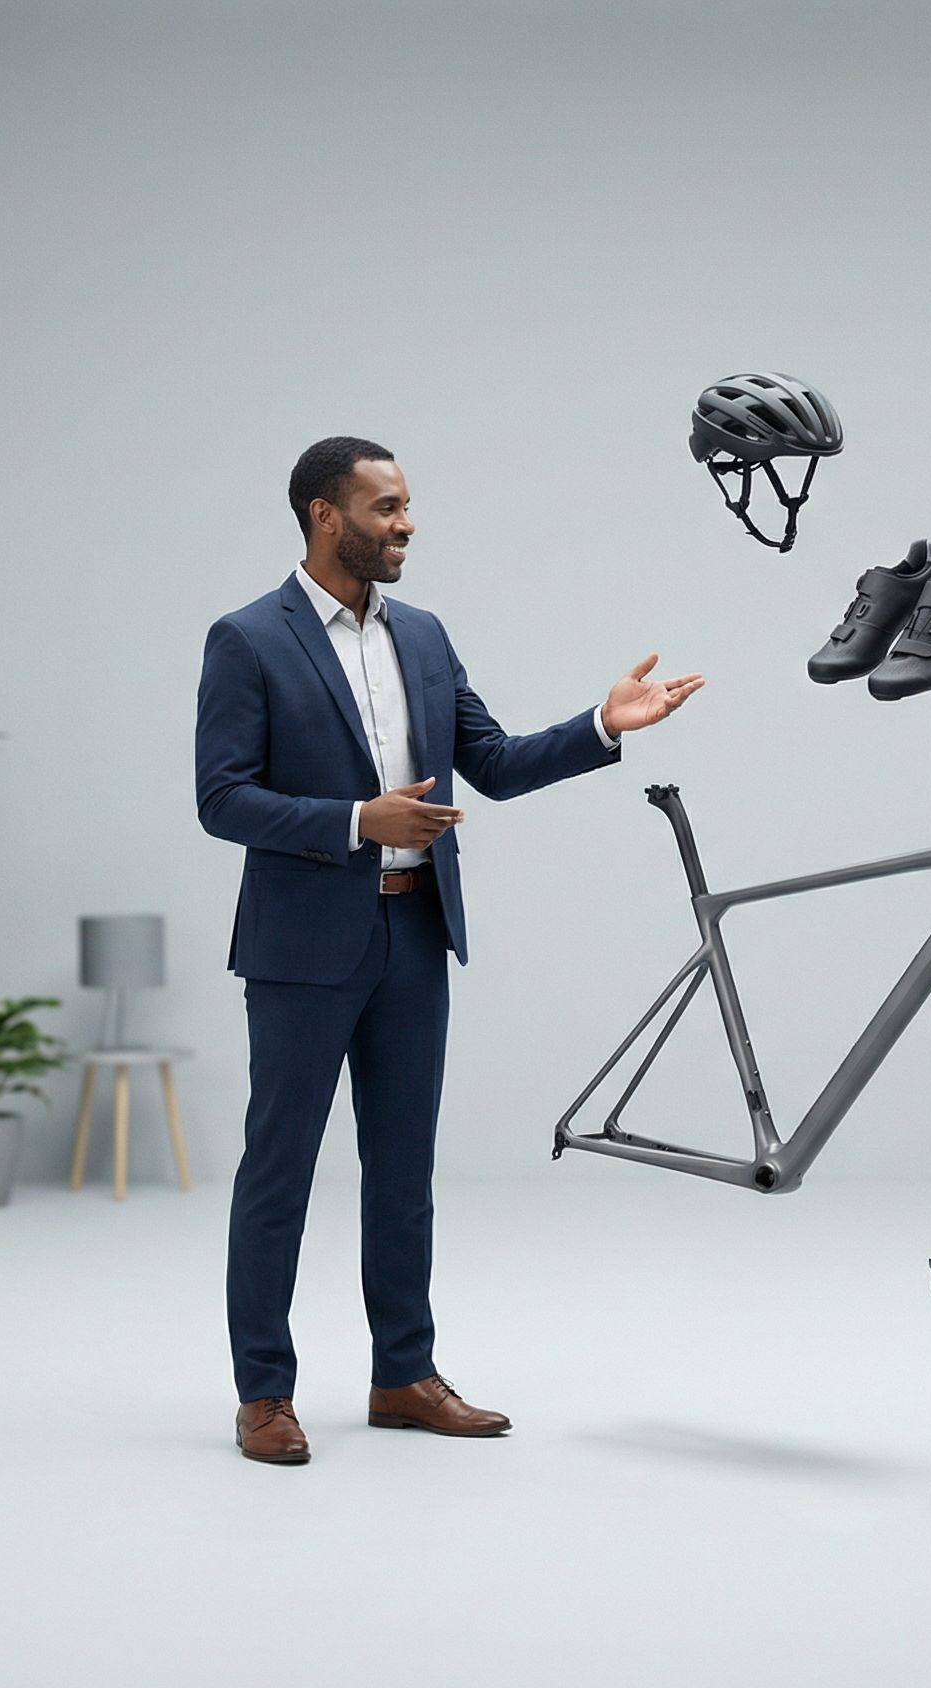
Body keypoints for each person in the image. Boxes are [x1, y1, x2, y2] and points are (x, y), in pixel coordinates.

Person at [196, 436, 703, 1466]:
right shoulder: (249, 639)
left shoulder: (423, 637)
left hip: (413, 933)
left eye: (407, 505)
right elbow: (221, 797)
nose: (406, 524)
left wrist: (604, 727)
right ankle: (263, 1393)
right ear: (322, 515)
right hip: (300, 950)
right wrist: (353, 821)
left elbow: (499, 763)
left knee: (403, 1172)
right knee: (279, 1172)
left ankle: (403, 1374)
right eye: (384, 507)